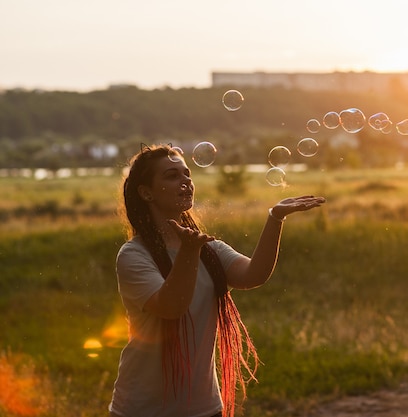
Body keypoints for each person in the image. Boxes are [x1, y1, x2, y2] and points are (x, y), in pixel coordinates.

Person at [109, 144, 325, 417]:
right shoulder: (134, 255)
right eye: (172, 175)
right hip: (144, 408)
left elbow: (253, 275)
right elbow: (171, 306)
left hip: (203, 406)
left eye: (187, 174)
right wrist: (189, 252)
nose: (186, 181)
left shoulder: (208, 250)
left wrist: (275, 218)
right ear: (146, 192)